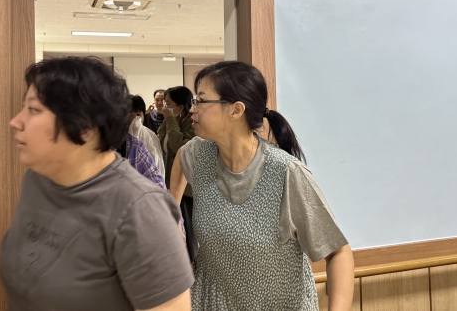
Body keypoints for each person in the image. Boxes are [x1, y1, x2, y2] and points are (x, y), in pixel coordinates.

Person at [0, 57, 193, 311]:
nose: (16, 121)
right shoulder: (37, 180)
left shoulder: (140, 209)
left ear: (85, 127)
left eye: (34, 110)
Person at [170, 61, 354, 310]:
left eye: (201, 101)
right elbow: (181, 158)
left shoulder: (286, 172)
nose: (192, 109)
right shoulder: (199, 154)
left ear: (235, 110)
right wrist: (173, 213)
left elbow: (338, 252)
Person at [158, 86, 197, 262]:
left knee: (187, 234)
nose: (164, 106)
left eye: (168, 103)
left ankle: (191, 269)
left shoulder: (192, 124)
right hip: (167, 185)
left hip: (186, 191)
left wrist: (171, 120)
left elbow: (180, 148)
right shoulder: (168, 121)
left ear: (180, 107)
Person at [129, 95, 165, 177]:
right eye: (130, 115)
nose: (134, 119)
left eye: (138, 115)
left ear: (143, 115)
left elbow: (159, 166)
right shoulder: (118, 136)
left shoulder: (151, 136)